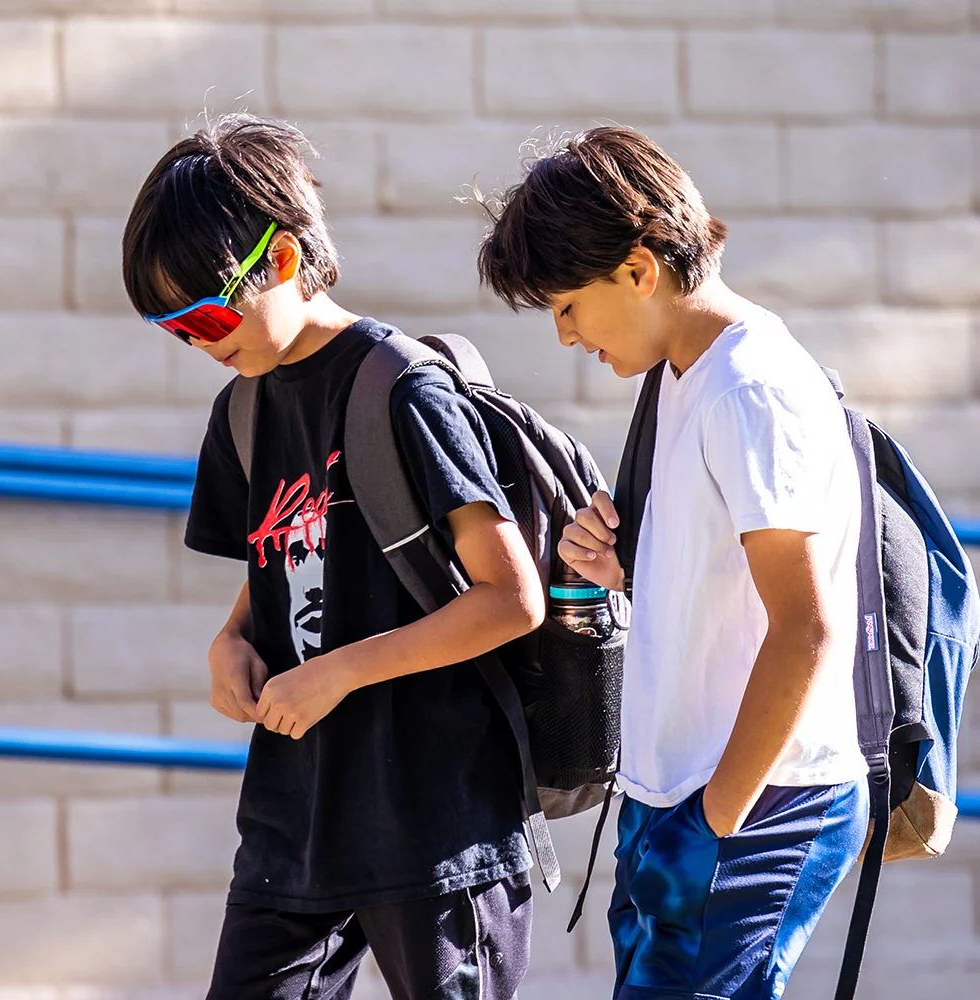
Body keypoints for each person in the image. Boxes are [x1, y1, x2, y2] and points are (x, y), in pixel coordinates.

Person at [121, 114, 541, 1000]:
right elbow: (282, 562)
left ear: (279, 259)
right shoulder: (242, 412)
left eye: (205, 315)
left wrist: (337, 672)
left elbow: (510, 599)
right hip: (296, 824)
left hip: (434, 821)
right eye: (172, 330)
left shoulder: (404, 390)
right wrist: (230, 640)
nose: (199, 344)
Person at [477, 127, 870, 1000]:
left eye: (568, 306)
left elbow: (806, 628)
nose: (566, 336)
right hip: (681, 796)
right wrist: (629, 568)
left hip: (759, 802)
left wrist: (712, 823)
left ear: (638, 270)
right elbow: (727, 590)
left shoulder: (751, 387)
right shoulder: (685, 374)